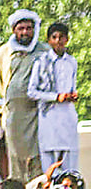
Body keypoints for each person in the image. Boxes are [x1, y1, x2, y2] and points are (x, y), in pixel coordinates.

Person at [0, 9, 45, 181]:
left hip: (38, 113)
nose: (24, 32)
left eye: (28, 28)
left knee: (37, 158)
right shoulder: (4, 52)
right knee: (15, 158)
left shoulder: (44, 51)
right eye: (21, 28)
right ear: (14, 30)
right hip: (14, 114)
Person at [28, 22, 80, 173]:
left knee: (70, 165)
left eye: (61, 37)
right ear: (49, 40)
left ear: (67, 39)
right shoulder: (41, 62)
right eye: (54, 37)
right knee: (49, 164)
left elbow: (72, 86)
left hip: (67, 117)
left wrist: (72, 95)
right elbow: (31, 92)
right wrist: (56, 97)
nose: (58, 41)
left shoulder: (71, 62)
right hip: (49, 117)